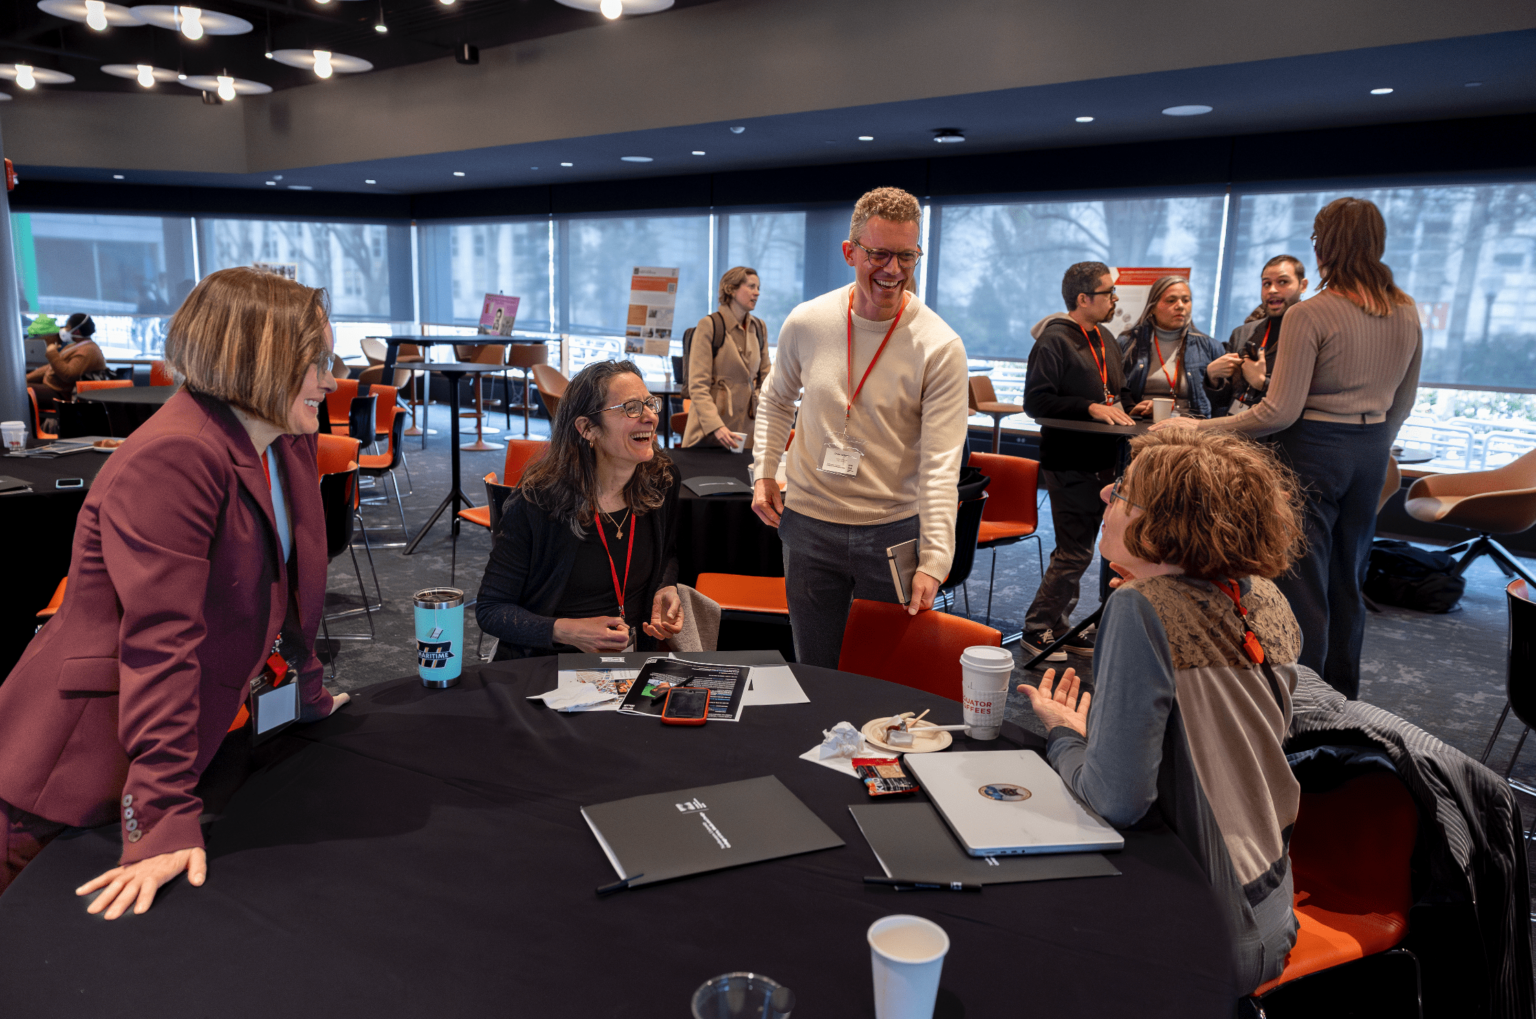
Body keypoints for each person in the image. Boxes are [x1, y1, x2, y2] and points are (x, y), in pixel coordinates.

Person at [0, 267, 348, 910]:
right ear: (256, 360)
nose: (332, 377)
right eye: (317, 359)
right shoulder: (177, 455)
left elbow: (292, 592)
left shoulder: (284, 440)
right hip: (82, 755)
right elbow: (160, 642)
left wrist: (305, 691)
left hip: (192, 730)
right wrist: (157, 820)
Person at [1020, 428, 1306, 991]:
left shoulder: (1140, 608)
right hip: (1272, 906)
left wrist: (1064, 736)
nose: (1105, 496)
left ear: (1168, 523)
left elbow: (1117, 801)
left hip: (1208, 927)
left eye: (1124, 492)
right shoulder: (1265, 593)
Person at [1154, 197, 1422, 698]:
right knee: (1348, 580)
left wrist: (1199, 430)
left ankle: (1301, 700)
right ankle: (1341, 698)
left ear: (1324, 247)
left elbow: (1278, 413)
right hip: (1372, 453)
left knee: (1302, 584)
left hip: (1312, 453)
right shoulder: (1405, 310)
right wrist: (1370, 445)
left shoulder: (1311, 314)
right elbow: (1402, 404)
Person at [751, 187, 968, 667]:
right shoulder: (807, 322)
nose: (892, 270)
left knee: (883, 677)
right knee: (815, 667)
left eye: (906, 256)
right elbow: (775, 399)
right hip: (808, 524)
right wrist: (764, 472)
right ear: (850, 252)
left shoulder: (939, 345)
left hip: (890, 531)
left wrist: (935, 558)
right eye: (879, 254)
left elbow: (940, 464)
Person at [477, 360, 685, 658]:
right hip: (551, 666)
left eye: (649, 404)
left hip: (635, 661)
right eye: (631, 408)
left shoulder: (661, 481)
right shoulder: (538, 503)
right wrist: (567, 630)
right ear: (587, 428)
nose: (650, 417)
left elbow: (667, 554)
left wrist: (666, 588)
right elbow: (491, 610)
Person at [1019, 261, 1134, 661]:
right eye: (1107, 293)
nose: (1115, 300)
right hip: (1068, 460)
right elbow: (1035, 400)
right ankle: (1036, 630)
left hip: (1105, 458)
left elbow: (1116, 391)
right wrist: (1088, 407)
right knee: (1074, 551)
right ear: (1083, 298)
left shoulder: (1104, 336)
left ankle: (1059, 625)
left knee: (1081, 547)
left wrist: (1135, 403)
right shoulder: (1054, 340)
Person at [681, 266, 771, 451]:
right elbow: (697, 386)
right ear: (731, 289)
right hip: (709, 431)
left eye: (758, 288)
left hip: (746, 430)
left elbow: (767, 377)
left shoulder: (759, 327)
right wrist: (716, 427)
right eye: (751, 286)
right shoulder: (710, 325)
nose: (757, 293)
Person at [1119, 275, 1228, 418]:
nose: (1180, 306)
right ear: (1152, 307)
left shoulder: (1210, 347)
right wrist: (1132, 409)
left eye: (1186, 300)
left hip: (1191, 432)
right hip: (1140, 427)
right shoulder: (1128, 343)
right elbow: (1114, 392)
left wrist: (1214, 382)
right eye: (1171, 300)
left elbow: (1223, 405)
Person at [1216, 256, 1310, 415]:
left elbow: (1311, 398)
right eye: (1266, 284)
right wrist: (1212, 378)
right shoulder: (1242, 334)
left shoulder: (1312, 332)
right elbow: (1221, 401)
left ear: (1303, 285)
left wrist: (1262, 383)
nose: (1272, 290)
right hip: (1235, 429)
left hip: (1283, 432)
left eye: (1282, 282)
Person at [26, 312, 108, 416]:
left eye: (68, 326)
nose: (64, 329)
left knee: (22, 392)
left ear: (77, 331)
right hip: (52, 389)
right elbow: (51, 367)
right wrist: (26, 378)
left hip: (62, 396)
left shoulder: (89, 351)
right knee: (20, 387)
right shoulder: (76, 346)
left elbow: (68, 375)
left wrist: (52, 353)